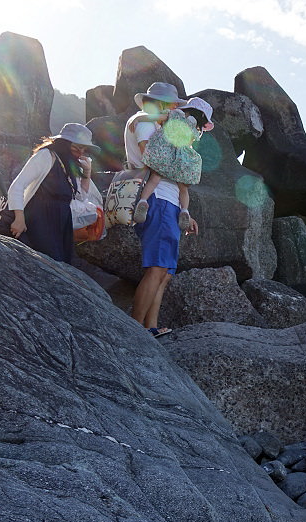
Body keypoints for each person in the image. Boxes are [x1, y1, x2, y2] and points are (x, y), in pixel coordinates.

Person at [124, 82, 200, 338]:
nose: (174, 109)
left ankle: (150, 327)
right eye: (171, 105)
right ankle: (135, 330)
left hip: (168, 202)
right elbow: (153, 158)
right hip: (156, 199)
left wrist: (185, 211)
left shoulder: (157, 125)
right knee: (157, 268)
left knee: (164, 272)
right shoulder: (144, 122)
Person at [5, 122, 100, 264]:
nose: (80, 153)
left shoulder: (69, 163)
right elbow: (18, 186)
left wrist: (86, 172)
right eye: (76, 148)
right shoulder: (46, 156)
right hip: (40, 217)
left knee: (61, 263)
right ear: (64, 143)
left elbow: (80, 197)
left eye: (84, 149)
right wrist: (19, 218)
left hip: (62, 221)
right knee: (45, 261)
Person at [133, 96, 215, 232]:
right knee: (183, 188)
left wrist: (138, 119)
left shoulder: (174, 114)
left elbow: (155, 118)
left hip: (164, 153)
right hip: (181, 160)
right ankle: (185, 211)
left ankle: (143, 201)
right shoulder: (195, 129)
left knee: (154, 179)